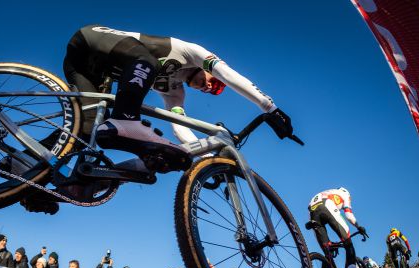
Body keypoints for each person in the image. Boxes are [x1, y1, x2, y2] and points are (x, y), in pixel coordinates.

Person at [63, 24, 294, 174]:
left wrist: (207, 158)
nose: (209, 88)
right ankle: (124, 118)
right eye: (214, 83)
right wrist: (269, 107)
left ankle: (45, 169)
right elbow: (227, 74)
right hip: (91, 40)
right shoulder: (191, 52)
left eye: (213, 92)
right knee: (148, 61)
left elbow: (179, 127)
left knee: (86, 131)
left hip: (83, 69)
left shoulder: (174, 92)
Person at [308, 187, 367, 268]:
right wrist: (358, 227)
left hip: (311, 212)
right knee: (348, 243)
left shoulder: (330, 191)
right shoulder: (345, 195)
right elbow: (349, 216)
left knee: (327, 251)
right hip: (326, 205)